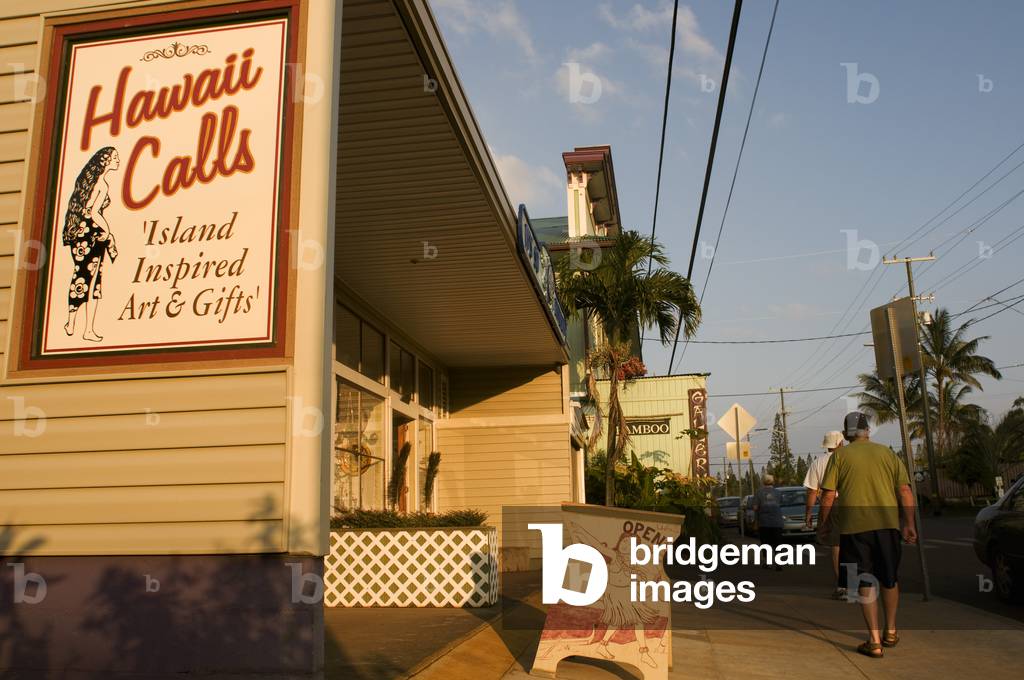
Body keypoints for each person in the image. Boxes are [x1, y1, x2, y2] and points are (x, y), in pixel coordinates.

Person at [818, 412, 917, 659]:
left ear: (846, 434)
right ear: (867, 431)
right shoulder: (887, 453)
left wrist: (824, 524)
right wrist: (909, 523)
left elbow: (828, 495)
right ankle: (891, 630)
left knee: (863, 581)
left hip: (853, 529)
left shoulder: (839, 456)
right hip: (887, 526)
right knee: (889, 578)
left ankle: (873, 640)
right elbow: (904, 490)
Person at [63, 146, 120, 342]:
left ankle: (71, 323)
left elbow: (80, 207)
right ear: (105, 161)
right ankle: (87, 329)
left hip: (79, 231)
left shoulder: (87, 180)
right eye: (114, 157)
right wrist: (108, 232)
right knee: (93, 281)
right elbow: (95, 213)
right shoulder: (102, 184)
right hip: (93, 233)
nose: (117, 160)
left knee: (80, 277)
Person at [805, 430, 846, 599]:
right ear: (839, 444)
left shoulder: (818, 463)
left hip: (832, 506)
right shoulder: (848, 459)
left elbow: (812, 492)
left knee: (837, 546)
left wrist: (809, 513)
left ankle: (843, 586)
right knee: (852, 545)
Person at [753, 473, 784, 571]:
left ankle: (768, 563)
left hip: (764, 522)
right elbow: (781, 504)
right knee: (777, 542)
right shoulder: (778, 493)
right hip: (777, 521)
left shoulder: (758, 492)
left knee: (765, 542)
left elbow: (755, 507)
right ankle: (779, 563)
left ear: (763, 482)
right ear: (773, 482)